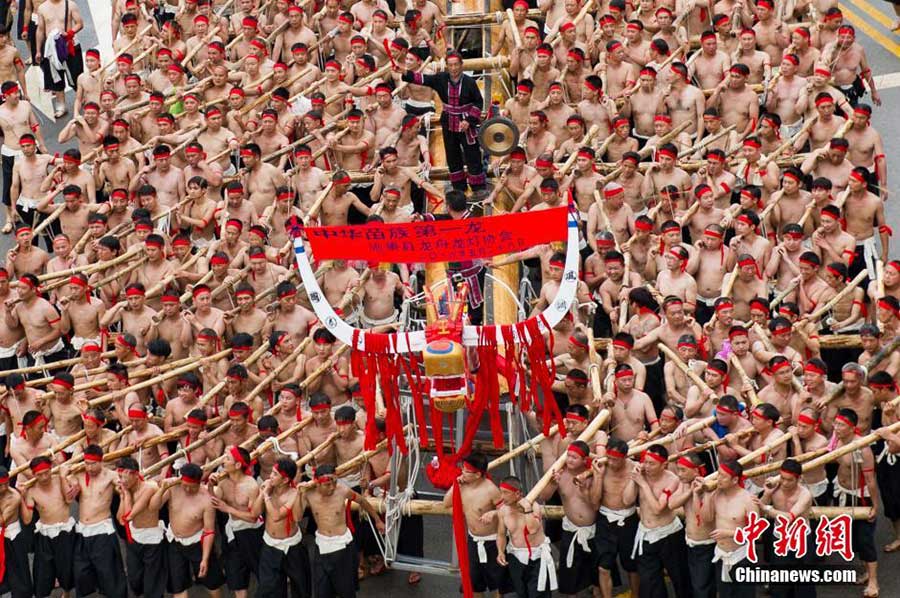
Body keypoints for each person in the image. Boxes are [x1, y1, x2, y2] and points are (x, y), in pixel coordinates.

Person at [398, 51, 486, 195]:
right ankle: (458, 186)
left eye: (456, 64)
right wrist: (404, 72)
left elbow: (478, 102)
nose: (453, 68)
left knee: (472, 154)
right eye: (450, 65)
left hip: (465, 123)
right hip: (448, 120)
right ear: (447, 66)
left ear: (461, 65)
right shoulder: (440, 78)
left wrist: (469, 120)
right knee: (452, 154)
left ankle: (478, 187)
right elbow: (422, 79)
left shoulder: (470, 82)